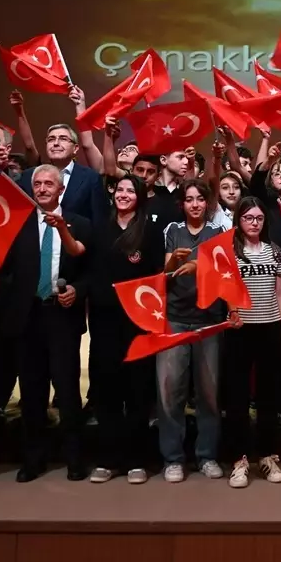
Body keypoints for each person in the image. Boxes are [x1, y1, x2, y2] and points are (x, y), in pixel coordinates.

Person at [0, 164, 92, 483]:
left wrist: (78, 290)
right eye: (37, 183)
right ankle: (33, 459)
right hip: (28, 317)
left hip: (62, 315)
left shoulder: (79, 223)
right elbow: (4, 270)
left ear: (61, 189)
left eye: (49, 183)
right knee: (32, 390)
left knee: (67, 391)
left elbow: (91, 271)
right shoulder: (17, 224)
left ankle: (74, 459)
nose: (42, 188)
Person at [88, 175, 162, 485]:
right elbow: (90, 271)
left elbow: (157, 276)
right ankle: (108, 460)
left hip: (138, 324)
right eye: (120, 189)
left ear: (140, 197)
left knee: (137, 391)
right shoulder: (99, 228)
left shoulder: (150, 231)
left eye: (131, 190)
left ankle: (136, 460)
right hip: (104, 321)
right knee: (106, 390)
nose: (123, 194)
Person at [158, 179, 232, 483]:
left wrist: (199, 268)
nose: (195, 204)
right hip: (174, 318)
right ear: (182, 204)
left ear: (207, 203)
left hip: (209, 319)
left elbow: (225, 274)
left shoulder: (218, 232)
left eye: (200, 199)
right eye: (189, 199)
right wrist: (174, 262)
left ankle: (207, 455)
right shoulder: (172, 231)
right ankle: (173, 459)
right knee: (169, 392)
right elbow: (164, 275)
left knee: (209, 393)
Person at [224, 197, 281, 488]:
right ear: (238, 220)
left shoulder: (274, 250)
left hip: (270, 328)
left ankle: (267, 456)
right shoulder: (230, 250)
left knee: (269, 396)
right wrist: (233, 312)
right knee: (237, 397)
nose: (254, 223)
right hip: (240, 331)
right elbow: (226, 287)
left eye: (259, 218)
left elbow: (280, 293)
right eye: (248, 218)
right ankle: (239, 460)